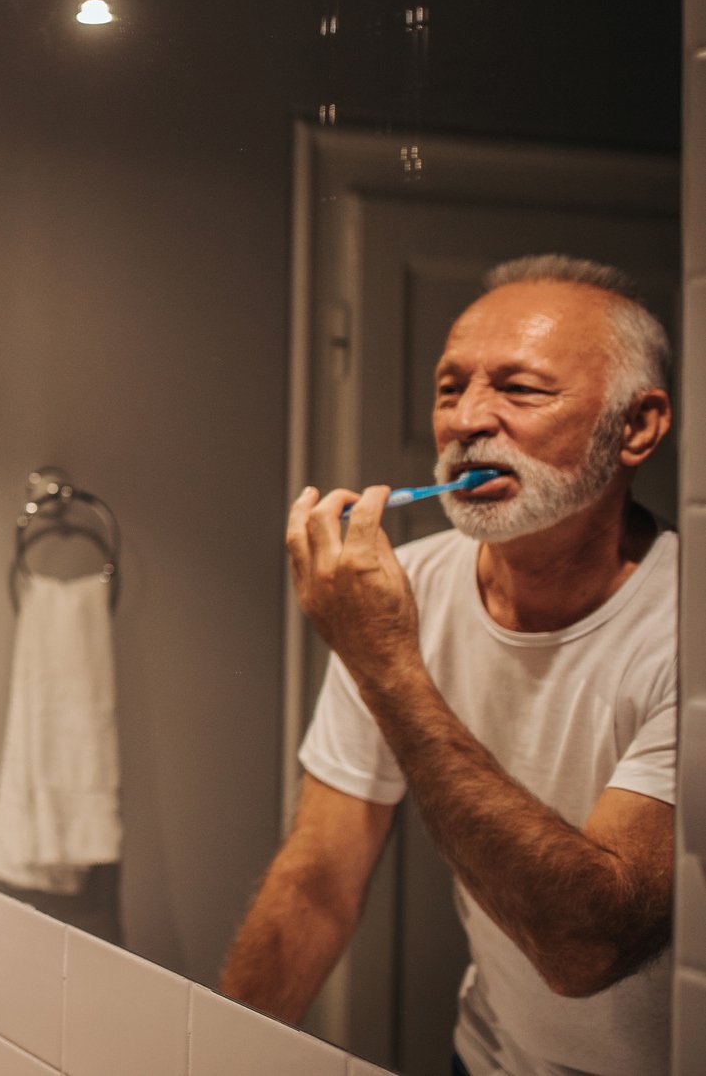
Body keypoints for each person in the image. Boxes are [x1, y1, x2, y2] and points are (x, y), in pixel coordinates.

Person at [219, 255, 676, 1076]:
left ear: (635, 427)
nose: (466, 419)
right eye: (448, 387)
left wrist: (385, 664)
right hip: (490, 1058)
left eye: (520, 389)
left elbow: (588, 946)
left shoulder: (687, 629)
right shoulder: (408, 589)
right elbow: (318, 883)